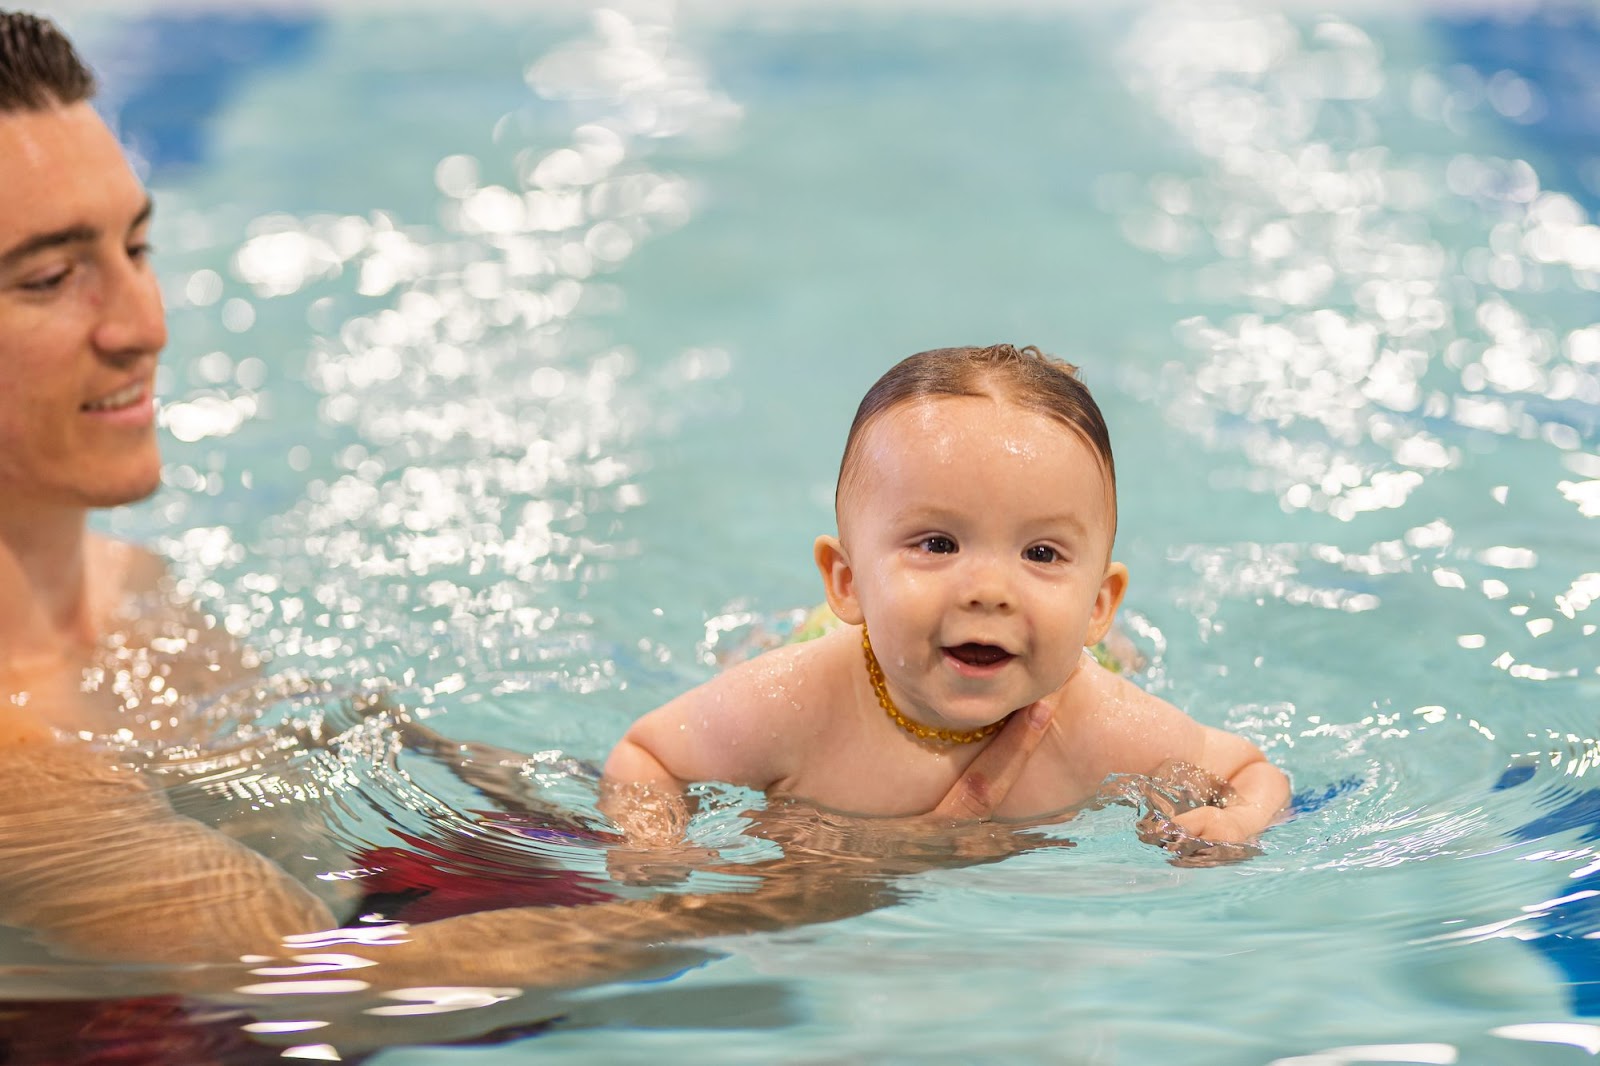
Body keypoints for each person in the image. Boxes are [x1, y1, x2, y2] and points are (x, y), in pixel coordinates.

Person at [0, 9, 1053, 989]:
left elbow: (363, 777)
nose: (143, 323)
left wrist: (795, 749)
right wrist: (842, 872)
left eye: (136, 248)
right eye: (50, 280)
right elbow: (318, 983)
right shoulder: (19, 770)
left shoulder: (125, 586)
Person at [604, 344, 1291, 848]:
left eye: (1041, 553)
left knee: (1119, 666)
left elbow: (1252, 771)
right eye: (937, 545)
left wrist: (1233, 824)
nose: (989, 590)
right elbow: (649, 756)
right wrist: (657, 848)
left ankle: (1113, 644)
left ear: (1099, 603)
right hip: (838, 643)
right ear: (847, 581)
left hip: (1080, 658)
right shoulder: (792, 704)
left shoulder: (1106, 727)